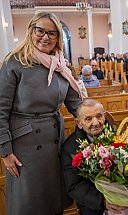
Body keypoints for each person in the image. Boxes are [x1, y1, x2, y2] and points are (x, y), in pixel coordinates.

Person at [0, 11, 82, 215]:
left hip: (55, 142)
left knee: (53, 201)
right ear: (31, 31)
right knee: (29, 204)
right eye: (40, 31)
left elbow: (76, 104)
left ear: (58, 38)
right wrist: (5, 152)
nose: (45, 37)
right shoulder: (14, 62)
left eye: (52, 33)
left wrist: (97, 119)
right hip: (23, 149)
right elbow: (0, 109)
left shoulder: (61, 66)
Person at [61, 99, 128, 215]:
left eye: (99, 116)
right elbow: (74, 186)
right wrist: (103, 201)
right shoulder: (70, 148)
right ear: (79, 123)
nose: (95, 123)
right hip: (94, 203)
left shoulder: (117, 135)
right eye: (88, 119)